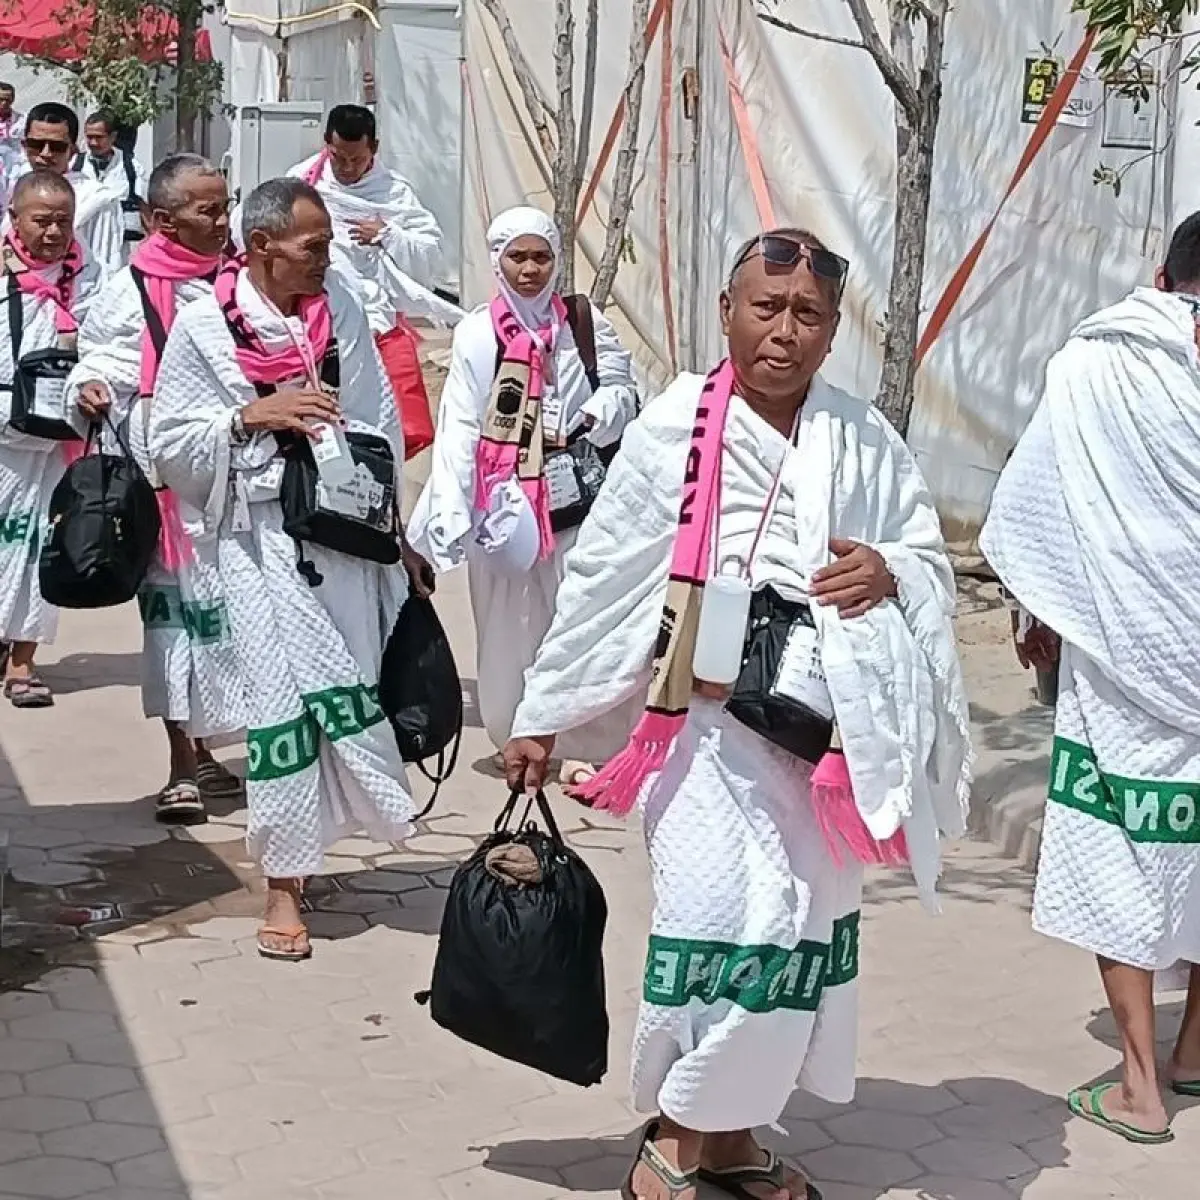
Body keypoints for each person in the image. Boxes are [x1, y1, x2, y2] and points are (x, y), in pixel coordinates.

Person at [504, 229, 971, 1200]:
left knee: (799, 928)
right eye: (766, 308)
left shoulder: (861, 437)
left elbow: (926, 556)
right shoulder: (675, 427)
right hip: (702, 742)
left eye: (807, 315)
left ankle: (732, 1136)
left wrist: (887, 571)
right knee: (722, 922)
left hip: (818, 748)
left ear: (832, 330)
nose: (784, 332)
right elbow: (605, 578)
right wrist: (541, 715)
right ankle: (676, 1138)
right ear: (727, 312)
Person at [148, 177, 430, 961]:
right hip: (258, 542)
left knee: (342, 694)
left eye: (330, 247)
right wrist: (248, 416)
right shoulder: (204, 327)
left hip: (343, 540)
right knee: (282, 703)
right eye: (314, 248)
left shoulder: (340, 313)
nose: (326, 260)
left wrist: (396, 533)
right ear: (263, 246)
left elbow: (375, 423)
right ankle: (282, 882)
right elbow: (168, 443)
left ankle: (316, 852)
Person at [981, 213, 1200, 1146]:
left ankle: (1142, 1086)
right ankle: (1194, 1054)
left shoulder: (1096, 364)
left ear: (1161, 274)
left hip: (1123, 648)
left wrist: (1039, 610)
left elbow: (1041, 500)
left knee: (1119, 852)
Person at [408, 206, 642, 778]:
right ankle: (518, 735)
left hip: (574, 498)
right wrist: (455, 510)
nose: (531, 270)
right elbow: (461, 426)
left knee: (574, 616)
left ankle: (581, 744)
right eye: (519, 257)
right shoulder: (476, 335)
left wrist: (590, 415)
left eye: (541, 257)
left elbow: (623, 390)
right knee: (507, 625)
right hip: (503, 502)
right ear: (498, 261)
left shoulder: (582, 324)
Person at [65, 153, 245, 822]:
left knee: (231, 627)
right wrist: (93, 391)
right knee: (172, 628)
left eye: (227, 205)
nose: (224, 220)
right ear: (163, 220)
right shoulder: (126, 289)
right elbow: (101, 363)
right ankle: (182, 766)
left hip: (234, 485)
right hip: (161, 490)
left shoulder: (244, 284)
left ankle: (210, 749)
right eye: (209, 210)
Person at [284, 104, 460, 459]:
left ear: (374, 150)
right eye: (339, 159)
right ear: (326, 146)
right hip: (315, 324)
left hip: (374, 326)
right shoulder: (302, 183)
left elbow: (430, 254)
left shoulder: (394, 193)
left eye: (357, 160)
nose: (348, 169)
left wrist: (389, 235)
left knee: (377, 421)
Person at [0, 170, 105, 706]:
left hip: (57, 437)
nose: (52, 232)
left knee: (40, 544)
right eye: (41, 220)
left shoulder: (90, 275)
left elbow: (108, 342)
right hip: (1, 433)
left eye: (62, 221)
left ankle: (22, 660)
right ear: (15, 218)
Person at [7, 103, 127, 273]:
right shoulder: (19, 188)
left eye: (57, 147)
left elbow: (105, 267)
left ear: (72, 151)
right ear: (24, 145)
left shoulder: (96, 200)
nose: (45, 154)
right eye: (36, 145)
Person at [74, 110, 148, 256]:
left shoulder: (131, 167)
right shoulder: (76, 164)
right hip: (83, 244)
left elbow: (144, 207)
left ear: (113, 137)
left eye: (99, 137)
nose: (93, 143)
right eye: (90, 137)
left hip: (119, 249)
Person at [0, 84, 26, 179]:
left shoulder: (22, 120)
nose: (4, 103)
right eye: (1, 99)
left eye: (7, 100)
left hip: (16, 165)